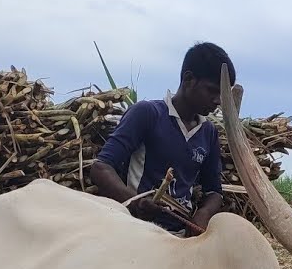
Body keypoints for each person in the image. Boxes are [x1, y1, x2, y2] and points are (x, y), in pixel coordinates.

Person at [91, 42, 235, 235]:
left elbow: (214, 192)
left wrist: (203, 214)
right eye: (212, 90)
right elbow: (101, 168)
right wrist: (135, 203)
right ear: (189, 79)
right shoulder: (147, 114)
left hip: (179, 237)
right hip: (134, 230)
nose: (217, 101)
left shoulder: (208, 133)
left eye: (222, 94)